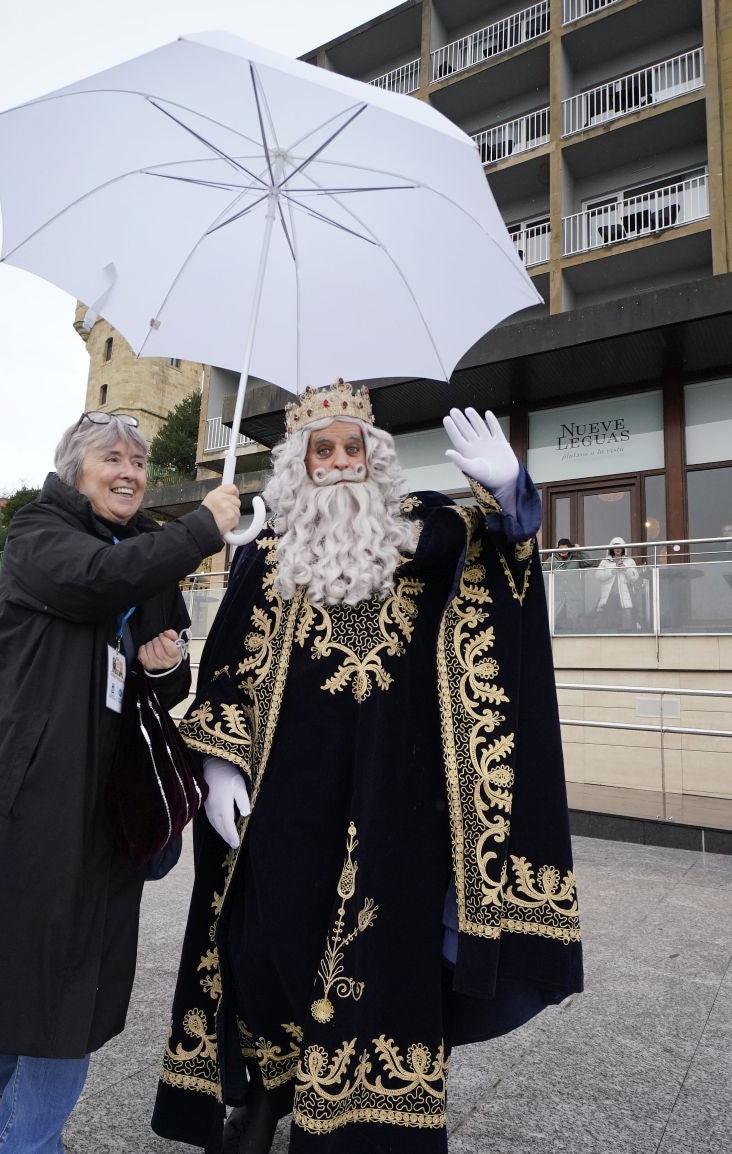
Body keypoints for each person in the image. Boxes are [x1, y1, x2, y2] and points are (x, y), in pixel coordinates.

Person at [152, 382, 582, 1154]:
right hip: (289, 798)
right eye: (325, 450)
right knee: (267, 948)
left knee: (384, 960)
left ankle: (374, 1127)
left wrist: (515, 491)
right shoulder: (269, 552)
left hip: (400, 801)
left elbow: (501, 546)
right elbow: (228, 670)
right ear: (300, 464)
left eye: (353, 448)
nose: (341, 461)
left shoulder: (422, 526)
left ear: (375, 457)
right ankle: (267, 1090)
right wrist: (219, 765)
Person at [0, 412, 240, 1154]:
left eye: (139, 461)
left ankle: (27, 1142)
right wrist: (203, 527)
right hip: (17, 796)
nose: (131, 471)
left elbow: (165, 682)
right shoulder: (38, 534)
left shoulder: (151, 556)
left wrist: (165, 666)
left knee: (67, 994)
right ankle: (12, 1098)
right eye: (114, 458)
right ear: (76, 469)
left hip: (106, 805)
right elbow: (93, 582)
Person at [544, 537, 593, 630]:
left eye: (565, 549)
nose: (563, 551)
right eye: (560, 549)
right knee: (557, 626)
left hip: (573, 598)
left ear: (570, 548)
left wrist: (580, 550)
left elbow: (589, 562)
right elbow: (541, 573)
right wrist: (551, 573)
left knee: (574, 626)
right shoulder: (552, 560)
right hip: (558, 599)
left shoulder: (576, 559)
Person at [595, 536, 640, 630]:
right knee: (607, 618)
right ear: (611, 549)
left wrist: (625, 569)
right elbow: (598, 576)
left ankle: (629, 637)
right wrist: (613, 571)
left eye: (620, 547)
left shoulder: (629, 561)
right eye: (615, 547)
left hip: (625, 595)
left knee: (627, 616)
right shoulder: (605, 561)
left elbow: (635, 577)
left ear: (624, 548)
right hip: (610, 595)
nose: (617, 549)